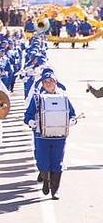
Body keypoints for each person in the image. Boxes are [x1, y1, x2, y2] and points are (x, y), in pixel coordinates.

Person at [24, 71, 76, 199]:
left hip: (59, 136)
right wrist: (31, 122)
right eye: (45, 82)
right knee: (42, 161)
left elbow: (72, 114)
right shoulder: (37, 98)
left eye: (50, 81)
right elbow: (27, 116)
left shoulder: (64, 97)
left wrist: (71, 121)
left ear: (55, 83)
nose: (48, 84)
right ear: (42, 84)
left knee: (57, 162)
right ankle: (46, 181)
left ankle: (55, 189)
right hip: (42, 136)